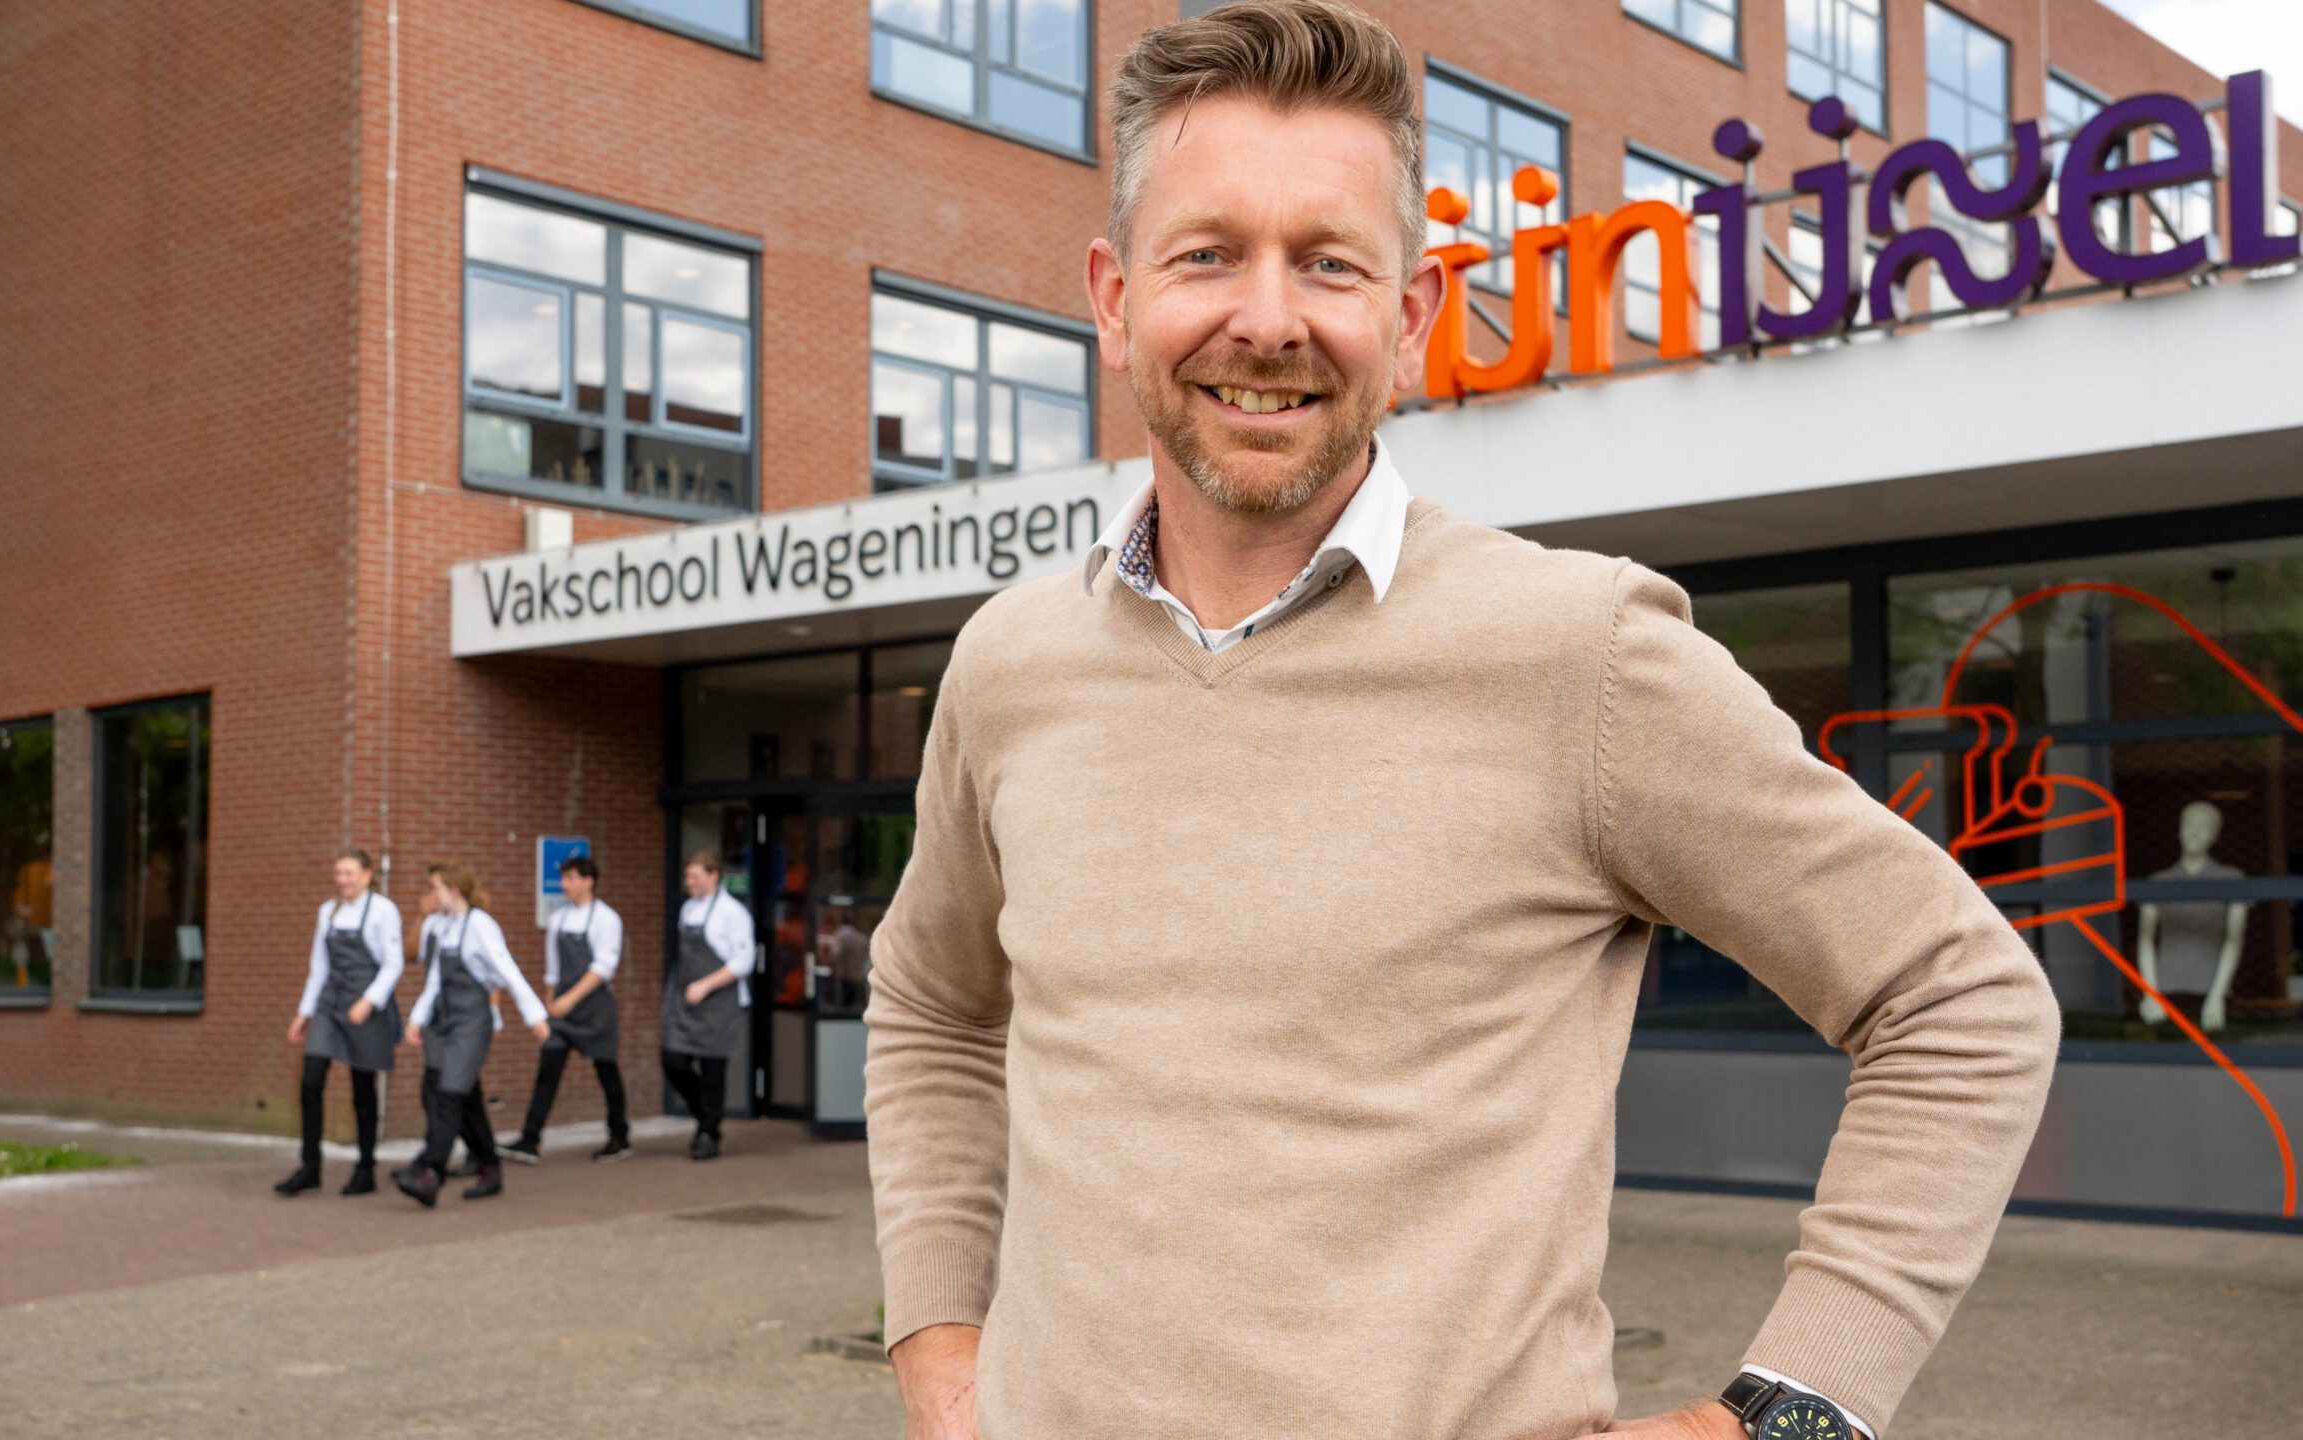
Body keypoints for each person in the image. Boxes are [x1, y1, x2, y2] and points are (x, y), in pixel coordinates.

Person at [863, 6, 2063, 1440]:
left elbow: (1962, 1001)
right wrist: (937, 1344)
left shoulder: (1585, 654)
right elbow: (931, 1004)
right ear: (1115, 299)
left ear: (1415, 314)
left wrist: (1789, 1414)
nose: (1266, 318)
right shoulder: (1011, 664)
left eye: (1328, 262)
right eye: (1207, 254)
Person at [392, 862, 548, 1207]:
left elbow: (508, 971)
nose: (432, 896)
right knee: (465, 1099)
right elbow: (433, 979)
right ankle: (489, 1167)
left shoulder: (481, 925)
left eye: (437, 889)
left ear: (454, 892)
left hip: (473, 1022)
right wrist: (417, 1018)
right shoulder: (442, 926)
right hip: (444, 1021)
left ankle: (431, 1172)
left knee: (448, 1095)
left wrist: (534, 1015)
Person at [274, 849, 403, 1197]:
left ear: (365, 874)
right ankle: (310, 1166)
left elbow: (394, 963)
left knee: (363, 1088)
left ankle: (365, 1168)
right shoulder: (327, 912)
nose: (342, 880)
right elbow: (319, 966)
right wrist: (304, 1013)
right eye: (338, 873)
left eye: (348, 873)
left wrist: (369, 1000)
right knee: (311, 1081)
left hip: (364, 1004)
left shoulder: (382, 910)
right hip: (330, 1004)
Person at [502, 854, 632, 1163]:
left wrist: (570, 999)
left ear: (589, 881)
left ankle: (619, 1137)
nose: (565, 884)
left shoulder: (606, 918)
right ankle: (530, 1139)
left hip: (595, 1008)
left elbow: (603, 967)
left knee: (606, 1071)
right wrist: (549, 1003)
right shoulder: (559, 918)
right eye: (563, 878)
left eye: (571, 878)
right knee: (548, 1071)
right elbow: (553, 967)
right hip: (561, 1011)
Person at [661, 850, 754, 1161]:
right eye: (688, 878)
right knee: (672, 1058)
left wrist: (705, 985)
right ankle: (706, 1114)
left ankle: (708, 1134)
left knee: (714, 1069)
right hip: (686, 1001)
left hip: (719, 1001)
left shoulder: (733, 913)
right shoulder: (687, 909)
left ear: (714, 876)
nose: (690, 883)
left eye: (695, 877)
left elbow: (744, 960)